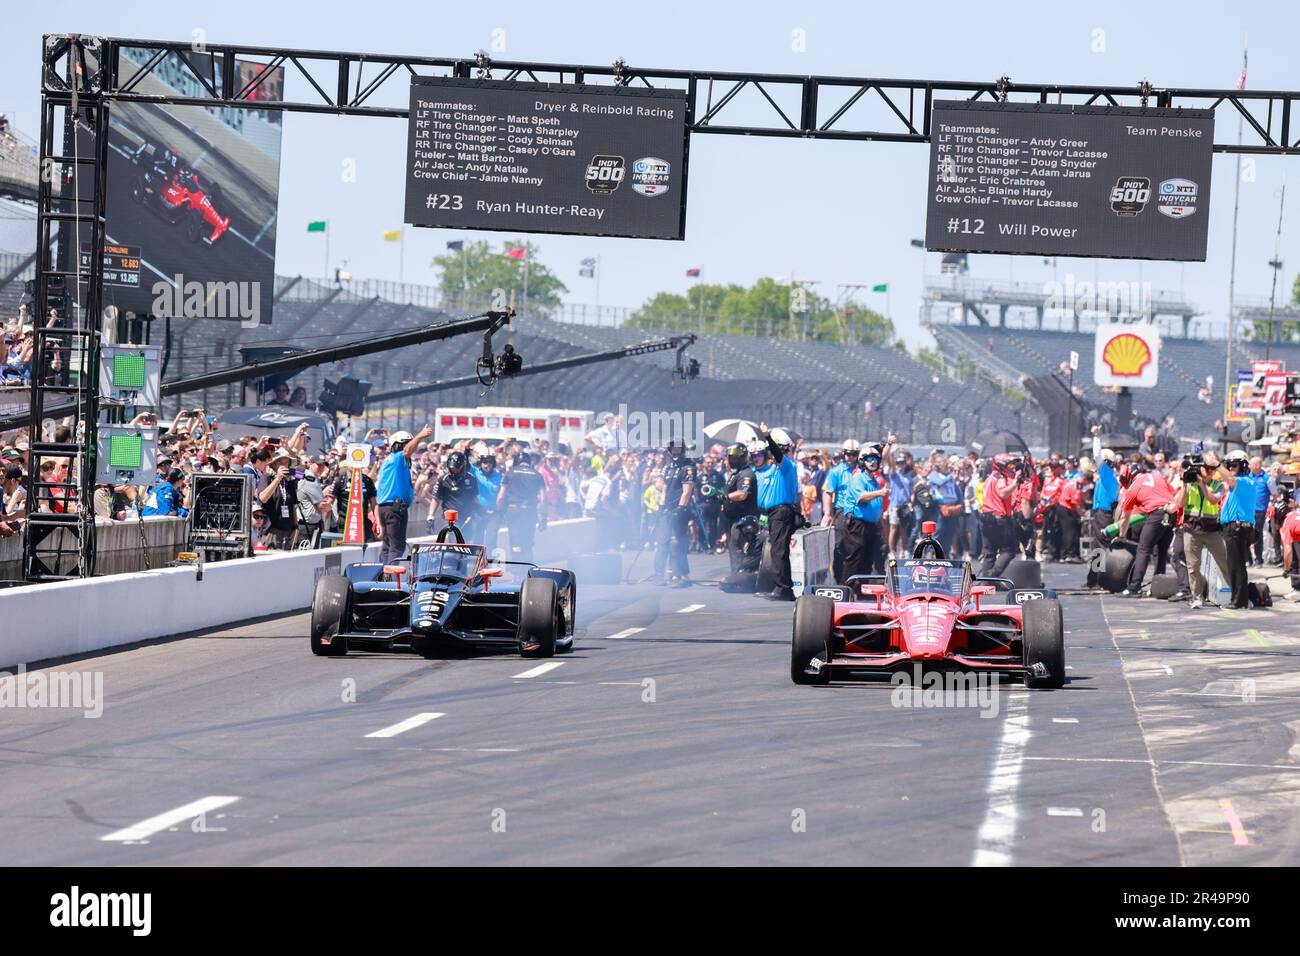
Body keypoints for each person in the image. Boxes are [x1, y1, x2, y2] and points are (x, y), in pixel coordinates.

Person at [1172, 454, 1229, 608]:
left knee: (1224, 562)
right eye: (1207, 469)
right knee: (1193, 566)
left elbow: (1213, 500)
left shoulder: (1218, 485)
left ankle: (1228, 596)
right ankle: (1196, 597)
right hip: (1191, 530)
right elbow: (1181, 503)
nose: (1210, 472)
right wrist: (1185, 484)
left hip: (1212, 531)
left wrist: (1202, 484)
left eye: (1211, 469)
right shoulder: (1190, 484)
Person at [753, 427, 801, 601]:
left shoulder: (787, 464)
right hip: (776, 513)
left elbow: (777, 454)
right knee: (778, 550)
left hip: (781, 512)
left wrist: (767, 437)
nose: (770, 454)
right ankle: (783, 586)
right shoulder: (775, 468)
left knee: (778, 551)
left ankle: (783, 588)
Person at [1116, 461, 1176, 599]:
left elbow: (1125, 517)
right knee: (1161, 550)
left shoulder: (1132, 488)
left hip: (1157, 513)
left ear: (1127, 478)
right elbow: (1173, 493)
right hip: (1171, 511)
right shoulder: (1156, 475)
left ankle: (1135, 587)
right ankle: (1158, 586)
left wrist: (1121, 535)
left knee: (1143, 549)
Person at [376, 425, 431, 564]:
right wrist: (420, 435)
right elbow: (407, 451)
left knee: (388, 546)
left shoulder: (394, 461)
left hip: (388, 508)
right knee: (396, 548)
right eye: (407, 444)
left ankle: (383, 576)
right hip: (393, 509)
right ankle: (391, 579)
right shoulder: (396, 459)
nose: (412, 447)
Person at [651, 438, 696, 587]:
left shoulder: (687, 467)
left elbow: (687, 492)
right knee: (662, 542)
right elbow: (660, 486)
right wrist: (661, 506)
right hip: (666, 509)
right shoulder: (668, 467)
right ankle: (659, 574)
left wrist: (680, 509)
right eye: (673, 449)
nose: (675, 451)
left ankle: (682, 576)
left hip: (679, 510)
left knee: (677, 543)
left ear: (682, 449)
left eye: (678, 448)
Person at [842, 447, 888, 582]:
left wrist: (880, 523)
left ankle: (861, 589)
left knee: (868, 558)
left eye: (875, 460)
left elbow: (877, 505)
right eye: (869, 459)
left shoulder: (874, 481)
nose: (873, 462)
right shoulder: (858, 478)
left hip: (871, 525)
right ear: (863, 462)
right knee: (855, 557)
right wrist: (880, 493)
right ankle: (847, 588)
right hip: (858, 524)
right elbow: (862, 497)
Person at [1218, 450, 1255, 609]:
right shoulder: (1236, 484)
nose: (1231, 468)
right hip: (1233, 527)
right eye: (1229, 465)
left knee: (1236, 565)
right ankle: (1240, 598)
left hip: (1237, 528)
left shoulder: (1245, 481)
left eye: (1234, 465)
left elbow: (1231, 479)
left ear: (1243, 465)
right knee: (1235, 564)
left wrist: (1217, 465)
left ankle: (1238, 601)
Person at [821, 439, 860, 581]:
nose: (851, 457)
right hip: (841, 512)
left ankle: (854, 578)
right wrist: (827, 513)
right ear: (844, 454)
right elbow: (828, 492)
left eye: (854, 454)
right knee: (839, 546)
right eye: (848, 454)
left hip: (858, 513)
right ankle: (839, 578)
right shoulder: (836, 471)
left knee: (856, 547)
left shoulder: (861, 471)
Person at [979, 453, 1020, 577]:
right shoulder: (999, 478)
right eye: (1009, 465)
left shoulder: (989, 478)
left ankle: (984, 581)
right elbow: (1002, 493)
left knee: (989, 553)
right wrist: (1016, 483)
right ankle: (992, 575)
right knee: (1009, 551)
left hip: (986, 517)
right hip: (998, 519)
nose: (1011, 468)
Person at [499, 450, 545, 560]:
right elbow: (543, 499)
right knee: (528, 541)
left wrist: (500, 513)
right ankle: (527, 568)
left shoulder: (509, 473)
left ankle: (515, 569)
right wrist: (543, 517)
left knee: (515, 541)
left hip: (513, 511)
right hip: (530, 512)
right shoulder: (537, 475)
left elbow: (501, 497)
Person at [721, 442, 758, 573]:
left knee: (737, 546)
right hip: (732, 518)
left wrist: (725, 497)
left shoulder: (746, 474)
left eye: (735, 458)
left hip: (743, 519)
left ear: (743, 458)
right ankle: (736, 574)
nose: (732, 460)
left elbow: (742, 494)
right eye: (730, 458)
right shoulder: (734, 474)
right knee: (732, 546)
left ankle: (740, 576)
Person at [430, 450, 482, 539]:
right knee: (453, 539)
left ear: (462, 467)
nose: (453, 470)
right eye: (451, 468)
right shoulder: (443, 479)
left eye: (456, 468)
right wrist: (430, 516)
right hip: (450, 517)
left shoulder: (471, 479)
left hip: (466, 517)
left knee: (466, 540)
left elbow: (475, 498)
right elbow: (436, 498)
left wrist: (477, 510)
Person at [472, 453, 504, 554]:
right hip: (479, 512)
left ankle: (490, 563)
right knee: (477, 538)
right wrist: (467, 450)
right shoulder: (475, 472)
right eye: (485, 462)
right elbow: (465, 464)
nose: (487, 465)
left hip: (494, 513)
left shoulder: (500, 476)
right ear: (480, 463)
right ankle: (476, 562)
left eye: (490, 462)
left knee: (491, 538)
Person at [887, 450, 916, 558]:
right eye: (898, 463)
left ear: (905, 464)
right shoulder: (894, 475)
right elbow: (890, 463)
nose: (900, 465)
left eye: (902, 463)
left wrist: (910, 503)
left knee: (904, 530)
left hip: (905, 506)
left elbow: (912, 492)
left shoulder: (909, 478)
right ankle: (891, 551)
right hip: (895, 505)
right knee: (893, 528)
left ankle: (903, 551)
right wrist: (892, 452)